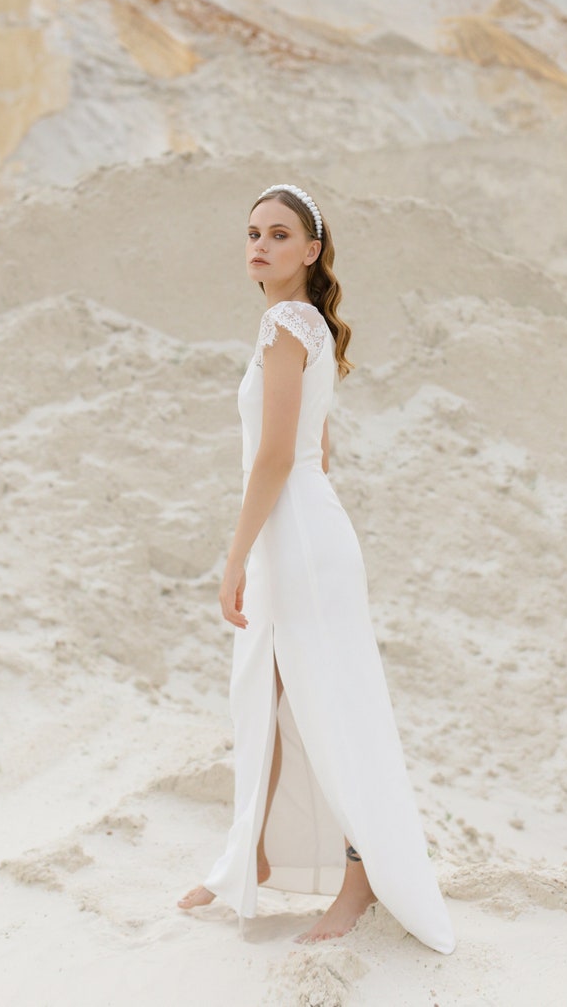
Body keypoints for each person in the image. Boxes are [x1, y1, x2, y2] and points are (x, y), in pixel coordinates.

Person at [177, 184, 455, 953]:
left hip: (293, 535)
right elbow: (316, 449)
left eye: (279, 233)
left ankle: (360, 877)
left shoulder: (284, 322)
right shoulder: (304, 325)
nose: (259, 244)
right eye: (252, 232)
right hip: (304, 528)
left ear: (311, 252)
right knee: (267, 693)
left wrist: (235, 553)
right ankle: (252, 855)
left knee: (325, 703)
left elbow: (275, 455)